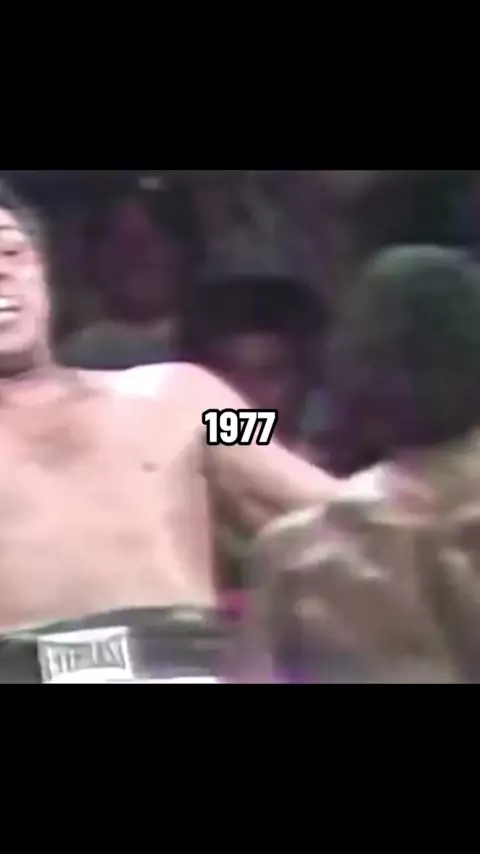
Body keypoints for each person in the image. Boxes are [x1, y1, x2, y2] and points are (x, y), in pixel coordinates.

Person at [0, 181, 337, 634]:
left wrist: (420, 495)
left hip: (186, 656)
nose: (1, 273)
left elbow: (307, 488)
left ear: (44, 271)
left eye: (12, 253)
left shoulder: (190, 396)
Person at [243, 246, 480, 682]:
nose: (253, 389)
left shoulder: (226, 417)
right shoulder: (218, 414)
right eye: (236, 372)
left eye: (271, 371)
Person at [179, 274, 327, 454]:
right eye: (227, 372)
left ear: (306, 377)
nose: (246, 391)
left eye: (268, 374)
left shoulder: (336, 467)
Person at [61, 185, 199, 370]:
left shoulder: (217, 347)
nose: (137, 254)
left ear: (182, 250)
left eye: (150, 237)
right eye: (120, 240)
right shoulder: (70, 362)